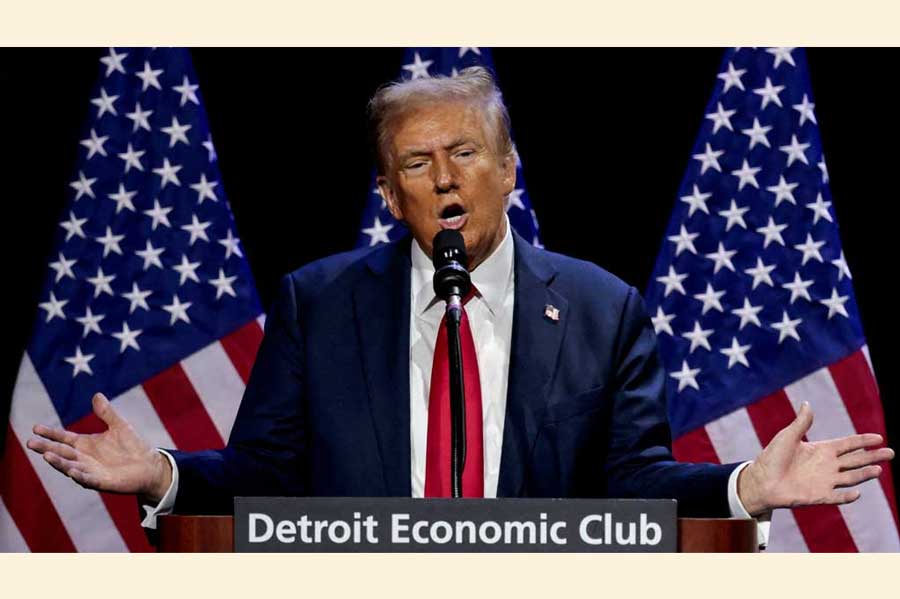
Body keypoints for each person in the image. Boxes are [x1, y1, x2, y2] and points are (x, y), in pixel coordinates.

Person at [26, 68, 893, 539]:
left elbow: (634, 485)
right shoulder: (319, 304)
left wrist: (747, 485)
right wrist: (165, 474)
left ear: (510, 169)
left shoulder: (602, 310)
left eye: (465, 151)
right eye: (415, 162)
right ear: (388, 192)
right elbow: (266, 477)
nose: (443, 176)